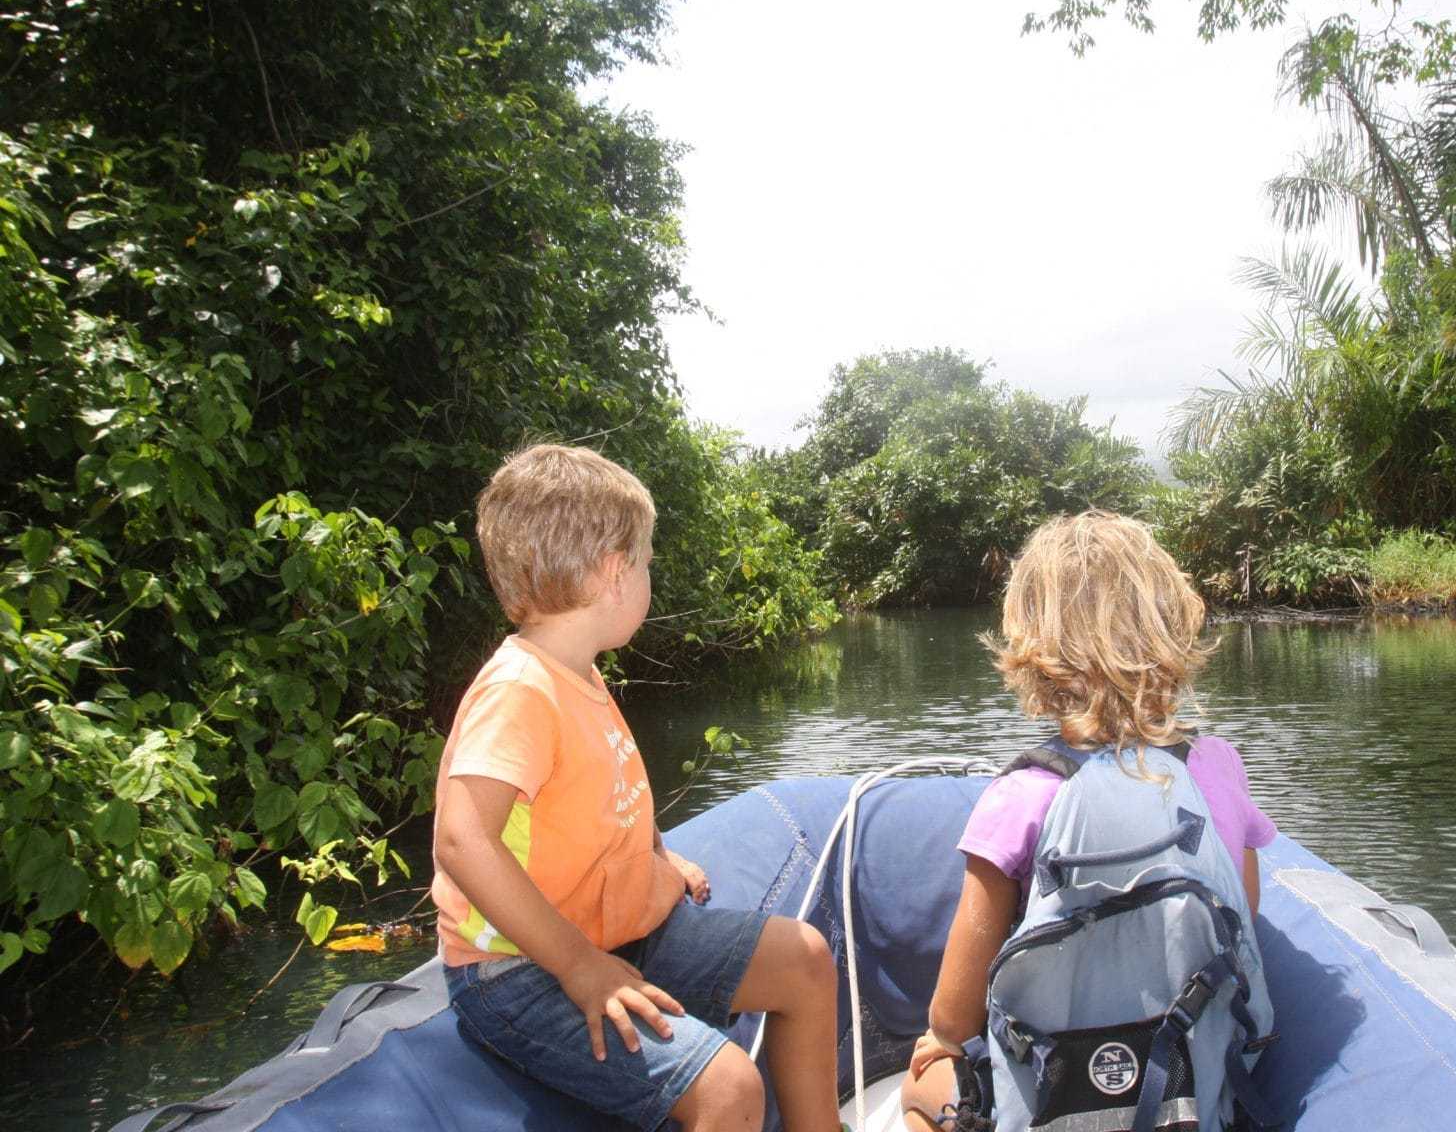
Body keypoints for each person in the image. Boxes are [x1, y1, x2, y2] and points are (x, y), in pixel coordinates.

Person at [430, 444, 840, 1132]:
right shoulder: (519, 690)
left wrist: (657, 854)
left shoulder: (579, 673)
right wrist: (578, 966)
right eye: (647, 562)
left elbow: (605, 790)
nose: (650, 578)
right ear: (616, 574)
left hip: (616, 936)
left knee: (803, 959)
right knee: (728, 1088)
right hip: (519, 969)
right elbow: (461, 841)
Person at [900, 510, 1277, 1131]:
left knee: (925, 1081)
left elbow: (954, 1014)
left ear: (1033, 650)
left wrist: (940, 1039)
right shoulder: (1218, 766)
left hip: (1056, 1099)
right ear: (1173, 627)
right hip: (1191, 1094)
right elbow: (1243, 924)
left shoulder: (1022, 795)